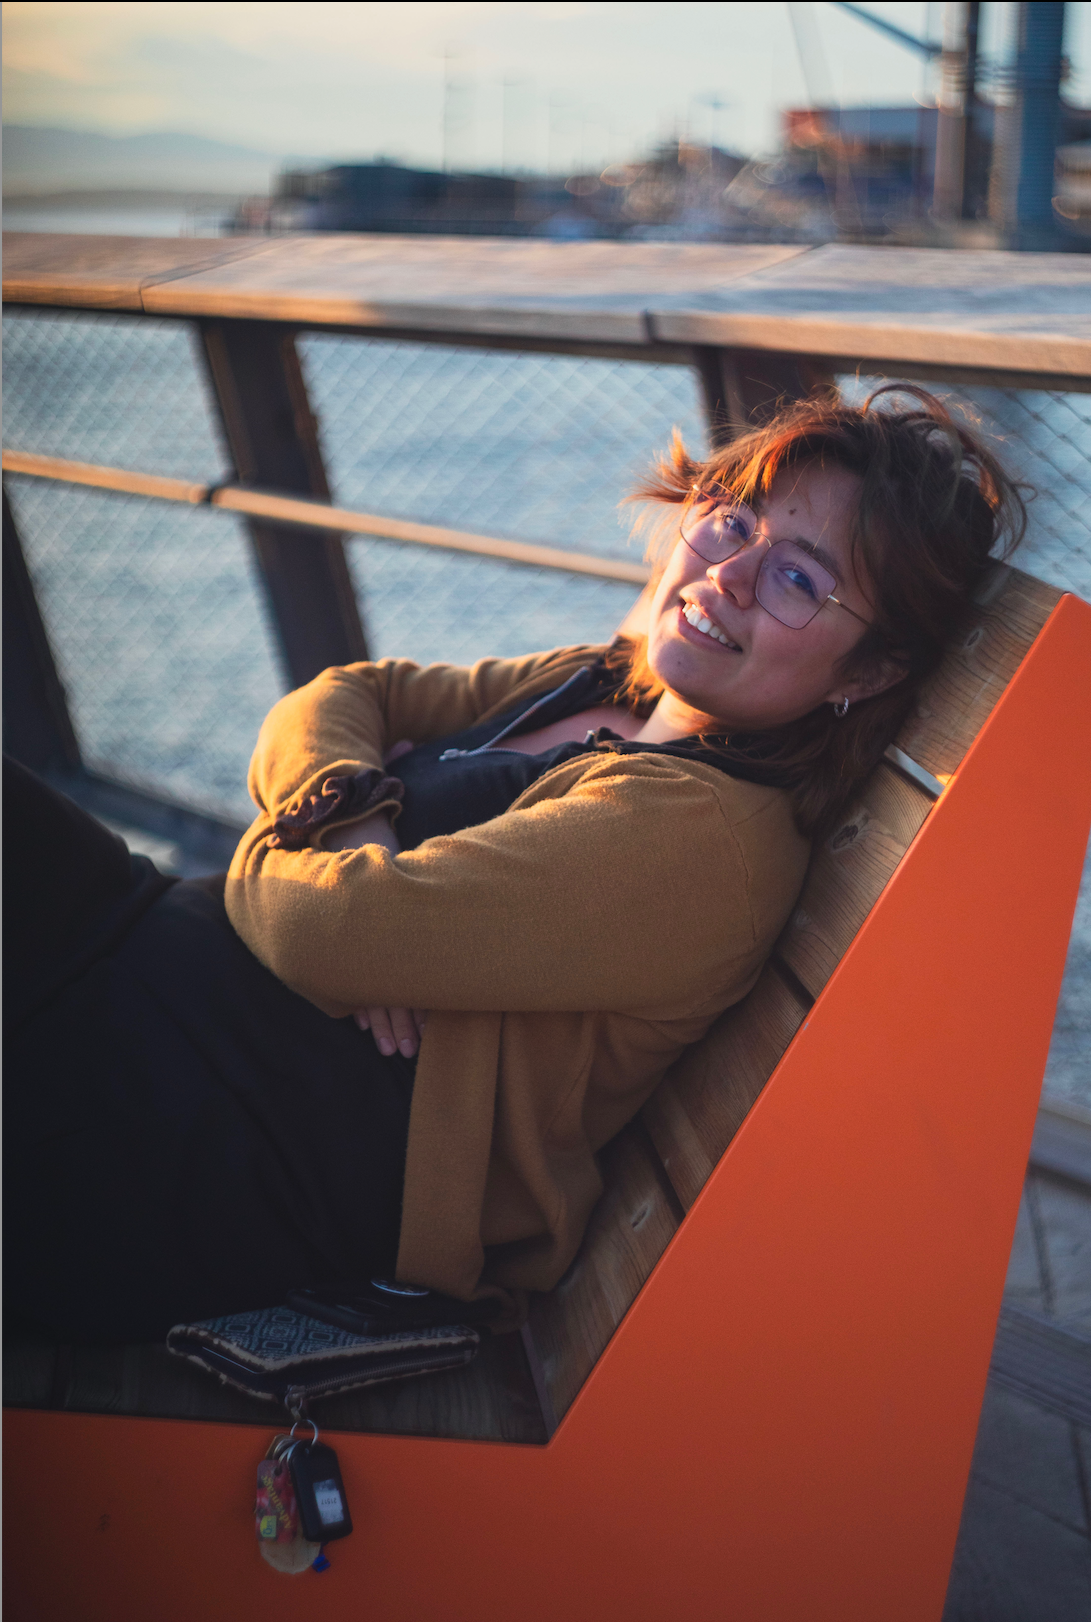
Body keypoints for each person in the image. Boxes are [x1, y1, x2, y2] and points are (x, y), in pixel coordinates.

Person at [4, 387, 1024, 1343]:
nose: (727, 574)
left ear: (873, 670)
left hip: (198, 1138)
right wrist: (352, 817)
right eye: (731, 517)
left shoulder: (697, 839)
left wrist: (283, 842)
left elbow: (329, 934)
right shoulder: (608, 681)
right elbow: (340, 694)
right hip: (139, 966)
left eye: (798, 577)